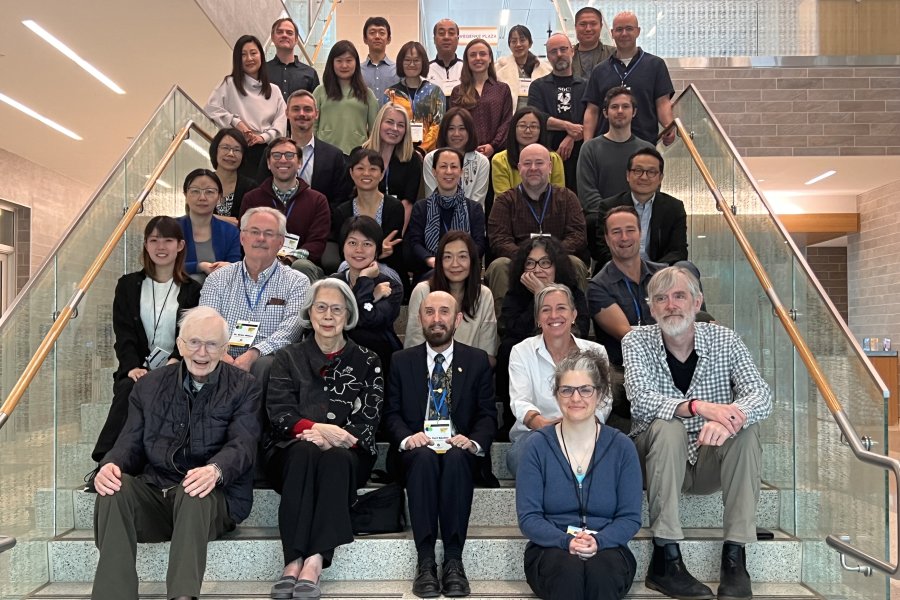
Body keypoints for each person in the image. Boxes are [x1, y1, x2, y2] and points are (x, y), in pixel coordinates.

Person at [90, 306, 260, 600]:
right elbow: (129, 442)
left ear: (225, 348)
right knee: (114, 488)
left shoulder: (245, 387)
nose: (202, 352)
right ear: (180, 345)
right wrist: (110, 465)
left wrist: (215, 470)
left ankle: (182, 596)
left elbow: (243, 444)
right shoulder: (149, 385)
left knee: (194, 490)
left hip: (212, 501)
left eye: (211, 345)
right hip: (158, 493)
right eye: (194, 342)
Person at [623, 266, 772, 600]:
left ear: (697, 301)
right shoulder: (636, 340)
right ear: (651, 307)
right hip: (655, 459)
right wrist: (702, 408)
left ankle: (735, 558)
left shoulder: (725, 339)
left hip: (707, 462)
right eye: (661, 298)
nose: (671, 305)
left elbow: (760, 394)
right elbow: (641, 399)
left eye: (679, 296)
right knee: (668, 426)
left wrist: (732, 417)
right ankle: (665, 558)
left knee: (744, 430)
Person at [263, 279, 383, 600]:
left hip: (348, 454)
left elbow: (368, 418)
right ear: (309, 313)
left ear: (348, 315)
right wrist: (314, 430)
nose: (328, 316)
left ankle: (314, 561)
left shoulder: (367, 360)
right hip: (292, 452)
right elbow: (279, 412)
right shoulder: (288, 357)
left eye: (336, 309)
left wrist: (335, 437)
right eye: (321, 308)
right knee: (304, 453)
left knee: (336, 458)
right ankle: (293, 561)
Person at [383, 290, 496, 599]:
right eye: (429, 312)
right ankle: (425, 561)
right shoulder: (401, 361)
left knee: (458, 459)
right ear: (420, 318)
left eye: (444, 312)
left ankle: (455, 561)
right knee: (423, 458)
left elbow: (488, 415)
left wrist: (472, 441)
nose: (437, 319)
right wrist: (407, 437)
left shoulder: (476, 361)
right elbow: (390, 414)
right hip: (416, 452)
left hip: (458, 449)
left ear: (457, 318)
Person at [515, 348, 640, 600]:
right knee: (567, 572)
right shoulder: (537, 446)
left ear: (601, 393)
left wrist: (600, 541)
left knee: (602, 573)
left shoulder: (622, 447)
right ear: (556, 394)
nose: (576, 398)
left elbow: (630, 517)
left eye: (585, 389)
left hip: (608, 547)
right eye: (567, 390)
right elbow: (529, 517)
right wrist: (566, 542)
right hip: (550, 548)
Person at [87, 216, 202, 478]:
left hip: (177, 369)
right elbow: (123, 333)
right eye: (154, 240)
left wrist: (176, 360)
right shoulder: (127, 285)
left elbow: (191, 333)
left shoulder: (192, 290)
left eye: (168, 240)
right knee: (129, 387)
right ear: (146, 245)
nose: (161, 246)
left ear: (180, 245)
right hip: (137, 369)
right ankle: (105, 462)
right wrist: (132, 367)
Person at [200, 207, 310, 390]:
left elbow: (290, 331)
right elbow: (205, 322)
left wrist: (254, 354)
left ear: (281, 242)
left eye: (269, 233)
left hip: (266, 360)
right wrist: (221, 354)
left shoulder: (297, 282)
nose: (261, 238)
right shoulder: (218, 278)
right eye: (254, 232)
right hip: (220, 355)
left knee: (264, 366)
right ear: (242, 238)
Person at [506, 284, 610, 475]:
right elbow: (520, 400)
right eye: (546, 310)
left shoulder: (596, 352)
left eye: (561, 308)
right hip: (535, 434)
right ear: (538, 318)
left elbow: (604, 401)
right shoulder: (521, 351)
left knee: (612, 454)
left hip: (584, 432)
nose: (554, 315)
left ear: (574, 314)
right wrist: (541, 423)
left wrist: (576, 425)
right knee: (524, 456)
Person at [495, 238, 590, 440]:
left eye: (545, 262)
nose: (538, 269)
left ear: (557, 266)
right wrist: (540, 296)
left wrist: (545, 294)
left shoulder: (573, 293)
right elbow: (510, 331)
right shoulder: (516, 295)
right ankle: (512, 420)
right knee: (507, 349)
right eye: (530, 263)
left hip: (566, 359)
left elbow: (579, 330)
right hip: (529, 360)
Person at [587, 206, 665, 433]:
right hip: (625, 370)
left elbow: (685, 323)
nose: (624, 238)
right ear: (607, 238)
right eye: (616, 232)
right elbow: (628, 335)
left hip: (668, 361)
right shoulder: (598, 286)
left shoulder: (663, 276)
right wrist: (666, 328)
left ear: (640, 233)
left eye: (630, 230)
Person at [485, 143, 589, 310]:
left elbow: (577, 236)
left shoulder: (567, 198)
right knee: (499, 265)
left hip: (558, 263)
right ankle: (503, 331)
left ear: (550, 167)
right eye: (527, 163)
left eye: (539, 163)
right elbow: (499, 240)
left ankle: (579, 327)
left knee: (575, 263)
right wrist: (529, 261)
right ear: (519, 168)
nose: (533, 168)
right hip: (518, 265)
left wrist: (549, 259)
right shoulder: (505, 201)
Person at [241, 137, 331, 282]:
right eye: (276, 155)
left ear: (300, 162)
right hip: (261, 262)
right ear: (269, 163)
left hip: (301, 266)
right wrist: (271, 260)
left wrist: (289, 259)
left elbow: (317, 242)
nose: (283, 160)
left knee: (300, 266)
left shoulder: (317, 200)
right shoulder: (252, 199)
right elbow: (246, 236)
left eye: (289, 155)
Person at [582, 11, 675, 145]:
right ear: (613, 33)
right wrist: (587, 143)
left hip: (644, 144)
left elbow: (662, 103)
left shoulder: (655, 65)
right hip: (605, 148)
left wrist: (668, 126)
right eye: (619, 29)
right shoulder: (600, 70)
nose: (624, 33)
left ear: (638, 31)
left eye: (629, 29)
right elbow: (592, 110)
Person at [405, 231, 498, 363]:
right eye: (448, 257)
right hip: (427, 371)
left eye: (462, 257)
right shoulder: (422, 291)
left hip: (470, 374)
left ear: (472, 261)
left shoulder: (483, 295)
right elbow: (413, 347)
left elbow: (488, 355)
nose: (455, 264)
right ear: (439, 261)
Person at [205, 35, 287, 178]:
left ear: (261, 56)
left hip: (267, 151)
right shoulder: (229, 84)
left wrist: (263, 137)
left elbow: (281, 121)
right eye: (243, 55)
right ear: (237, 59)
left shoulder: (274, 90)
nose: (249, 59)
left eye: (253, 53)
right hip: (239, 150)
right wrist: (238, 123)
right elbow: (211, 108)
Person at [593, 148, 687, 270]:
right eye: (638, 171)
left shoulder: (674, 207)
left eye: (651, 172)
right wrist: (630, 267)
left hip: (660, 272)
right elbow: (602, 248)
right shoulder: (609, 206)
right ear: (627, 175)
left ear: (660, 178)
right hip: (619, 269)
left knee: (686, 267)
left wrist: (652, 269)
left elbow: (678, 251)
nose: (644, 177)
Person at [257, 90, 351, 211]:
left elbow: (340, 199)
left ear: (316, 114)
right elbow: (261, 191)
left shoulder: (333, 156)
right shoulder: (271, 152)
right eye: (296, 109)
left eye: (307, 109)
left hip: (318, 224)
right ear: (287, 113)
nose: (302, 114)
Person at [330, 216, 403, 371]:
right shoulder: (332, 284)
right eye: (352, 243)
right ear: (342, 247)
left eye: (367, 244)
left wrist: (364, 278)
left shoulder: (392, 287)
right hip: (336, 357)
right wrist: (371, 297)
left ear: (377, 250)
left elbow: (368, 319)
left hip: (378, 358)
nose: (359, 250)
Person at [406, 148, 486, 280]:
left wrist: (459, 261)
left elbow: (479, 244)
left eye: (454, 166)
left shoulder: (474, 208)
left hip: (465, 272)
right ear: (434, 172)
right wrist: (430, 260)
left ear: (461, 172)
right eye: (443, 166)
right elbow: (415, 243)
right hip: (429, 270)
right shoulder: (421, 207)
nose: (449, 171)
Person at [577, 86, 653, 221]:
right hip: (600, 222)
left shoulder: (647, 150)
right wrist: (614, 219)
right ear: (605, 113)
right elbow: (588, 195)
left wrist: (631, 219)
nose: (620, 111)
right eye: (614, 107)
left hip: (639, 223)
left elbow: (651, 189)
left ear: (634, 112)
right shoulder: (589, 148)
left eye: (625, 106)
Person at [330, 148, 405, 279]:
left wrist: (373, 256)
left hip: (386, 269)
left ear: (382, 174)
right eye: (360, 168)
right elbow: (344, 252)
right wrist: (378, 251)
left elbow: (394, 252)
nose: (366, 173)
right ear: (351, 173)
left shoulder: (395, 207)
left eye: (373, 169)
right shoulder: (342, 211)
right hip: (351, 267)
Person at [528, 33, 587, 192]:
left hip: (580, 157)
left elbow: (590, 119)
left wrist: (571, 137)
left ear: (572, 51)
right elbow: (537, 118)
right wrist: (568, 126)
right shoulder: (538, 86)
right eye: (553, 51)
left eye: (563, 49)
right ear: (548, 56)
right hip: (547, 155)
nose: (559, 54)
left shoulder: (586, 86)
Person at [449, 38, 513, 159]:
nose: (478, 58)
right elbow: (454, 125)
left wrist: (493, 146)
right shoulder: (458, 92)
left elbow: (507, 122)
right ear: (467, 60)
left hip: (497, 155)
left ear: (490, 59)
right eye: (473, 55)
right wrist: (469, 147)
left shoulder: (502, 89)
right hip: (466, 154)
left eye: (482, 54)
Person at [362, 102, 424, 225]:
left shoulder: (412, 160)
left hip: (397, 228)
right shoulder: (360, 155)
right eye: (389, 122)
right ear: (379, 124)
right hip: (364, 224)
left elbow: (407, 204)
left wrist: (394, 238)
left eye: (400, 125)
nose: (395, 128)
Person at [313, 40, 379, 155]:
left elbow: (375, 131)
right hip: (324, 153)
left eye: (349, 60)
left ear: (356, 63)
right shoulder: (320, 91)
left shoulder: (367, 94)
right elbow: (313, 125)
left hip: (357, 154)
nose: (344, 65)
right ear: (331, 63)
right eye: (339, 61)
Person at [177, 169, 241, 283]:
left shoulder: (230, 232)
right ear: (185, 195)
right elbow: (162, 266)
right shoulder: (171, 228)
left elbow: (236, 268)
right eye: (195, 191)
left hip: (220, 296)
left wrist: (229, 267)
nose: (202, 197)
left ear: (219, 197)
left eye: (209, 192)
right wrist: (199, 266)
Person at [383, 41, 446, 154]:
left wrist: (422, 149)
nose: (412, 64)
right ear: (401, 63)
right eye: (407, 60)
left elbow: (438, 124)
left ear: (423, 63)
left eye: (416, 60)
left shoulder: (435, 92)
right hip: (397, 152)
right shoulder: (391, 93)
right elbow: (386, 124)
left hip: (428, 154)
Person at [422, 107, 490, 207]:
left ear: (470, 131)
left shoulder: (482, 162)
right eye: (451, 128)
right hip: (436, 217)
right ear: (444, 131)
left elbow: (477, 203)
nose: (456, 134)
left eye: (462, 128)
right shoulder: (431, 158)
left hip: (470, 219)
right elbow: (431, 198)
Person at [491, 107, 566, 195]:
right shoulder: (500, 160)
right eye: (522, 126)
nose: (527, 131)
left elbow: (559, 195)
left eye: (533, 126)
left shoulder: (553, 159)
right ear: (513, 129)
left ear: (541, 130)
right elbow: (503, 198)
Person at [495, 25, 552, 110]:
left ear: (530, 43)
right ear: (509, 45)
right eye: (513, 41)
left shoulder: (545, 69)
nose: (518, 44)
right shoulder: (498, 69)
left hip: (537, 119)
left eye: (522, 40)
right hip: (510, 120)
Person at [209, 128, 258, 225]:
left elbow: (252, 223)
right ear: (215, 150)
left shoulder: (251, 187)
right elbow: (193, 216)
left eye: (236, 150)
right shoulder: (202, 181)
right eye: (225, 148)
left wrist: (209, 218)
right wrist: (226, 220)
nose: (231, 154)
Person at [266, 17, 320, 101]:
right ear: (272, 38)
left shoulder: (310, 73)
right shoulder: (263, 70)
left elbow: (314, 107)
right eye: (280, 32)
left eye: (289, 33)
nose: (284, 35)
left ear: (296, 40)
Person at [360, 17, 400, 100]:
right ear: (365, 39)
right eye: (372, 33)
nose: (377, 36)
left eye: (382, 33)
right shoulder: (357, 71)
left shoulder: (398, 70)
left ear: (389, 39)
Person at [571, 7, 615, 79]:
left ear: (601, 26)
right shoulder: (568, 57)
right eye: (583, 24)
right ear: (575, 27)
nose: (588, 29)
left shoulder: (614, 55)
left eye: (593, 24)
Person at [427, 19, 463, 97]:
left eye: (451, 33)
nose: (446, 37)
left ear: (458, 39)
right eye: (441, 33)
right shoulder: (425, 70)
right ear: (434, 39)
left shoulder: (467, 69)